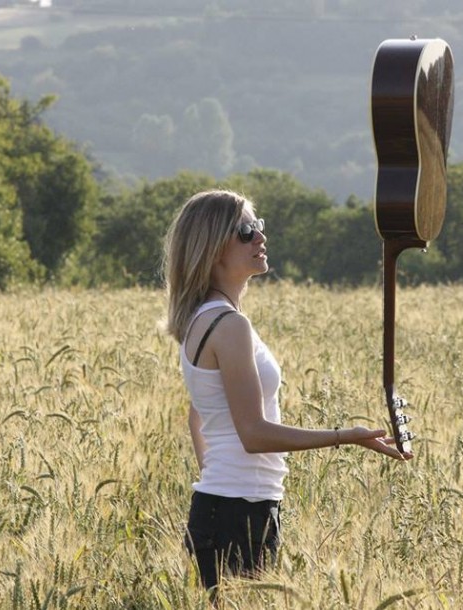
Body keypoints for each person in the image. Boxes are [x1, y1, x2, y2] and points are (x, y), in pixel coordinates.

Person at [162, 189, 413, 593]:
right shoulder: (228, 325)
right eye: (245, 231)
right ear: (212, 248)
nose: (260, 237)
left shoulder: (205, 319)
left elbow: (199, 414)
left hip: (233, 506)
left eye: (258, 227)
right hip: (235, 514)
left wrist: (220, 476)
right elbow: (253, 433)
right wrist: (343, 437)